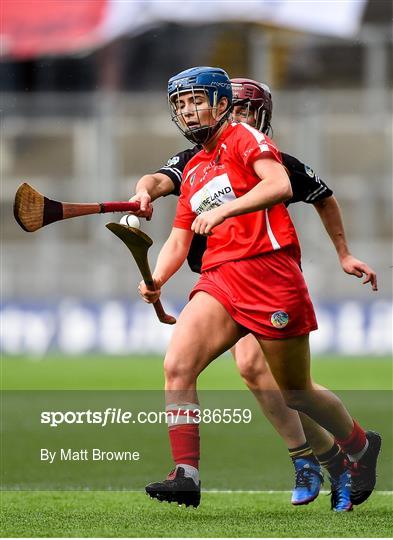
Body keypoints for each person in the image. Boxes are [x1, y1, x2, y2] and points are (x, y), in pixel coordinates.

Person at [135, 67, 381, 510]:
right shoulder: (192, 167)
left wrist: (227, 210)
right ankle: (186, 474)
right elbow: (178, 238)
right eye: (181, 104)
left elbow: (280, 184)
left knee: (294, 391)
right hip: (220, 278)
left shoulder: (248, 139)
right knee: (178, 364)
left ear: (221, 101)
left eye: (197, 101)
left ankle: (360, 447)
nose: (189, 111)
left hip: (270, 274)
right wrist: (157, 279)